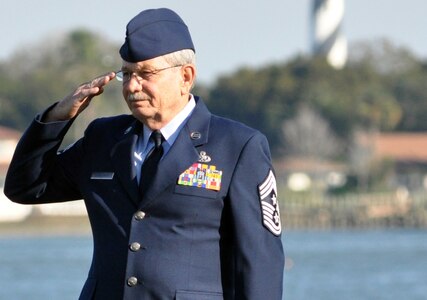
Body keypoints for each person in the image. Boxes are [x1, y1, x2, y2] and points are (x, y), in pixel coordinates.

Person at [4, 8, 284, 300]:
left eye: (145, 74)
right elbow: (26, 187)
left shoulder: (237, 146)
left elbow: (259, 262)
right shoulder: (104, 140)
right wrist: (57, 118)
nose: (132, 86)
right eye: (126, 74)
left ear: (185, 77)